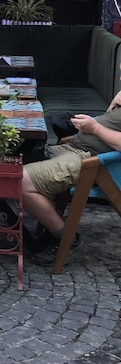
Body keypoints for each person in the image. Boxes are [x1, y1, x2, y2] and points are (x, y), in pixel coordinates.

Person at [23, 98, 121, 266]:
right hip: (72, 147)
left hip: (89, 159)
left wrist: (95, 128)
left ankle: (68, 239)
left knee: (20, 180)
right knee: (15, 159)